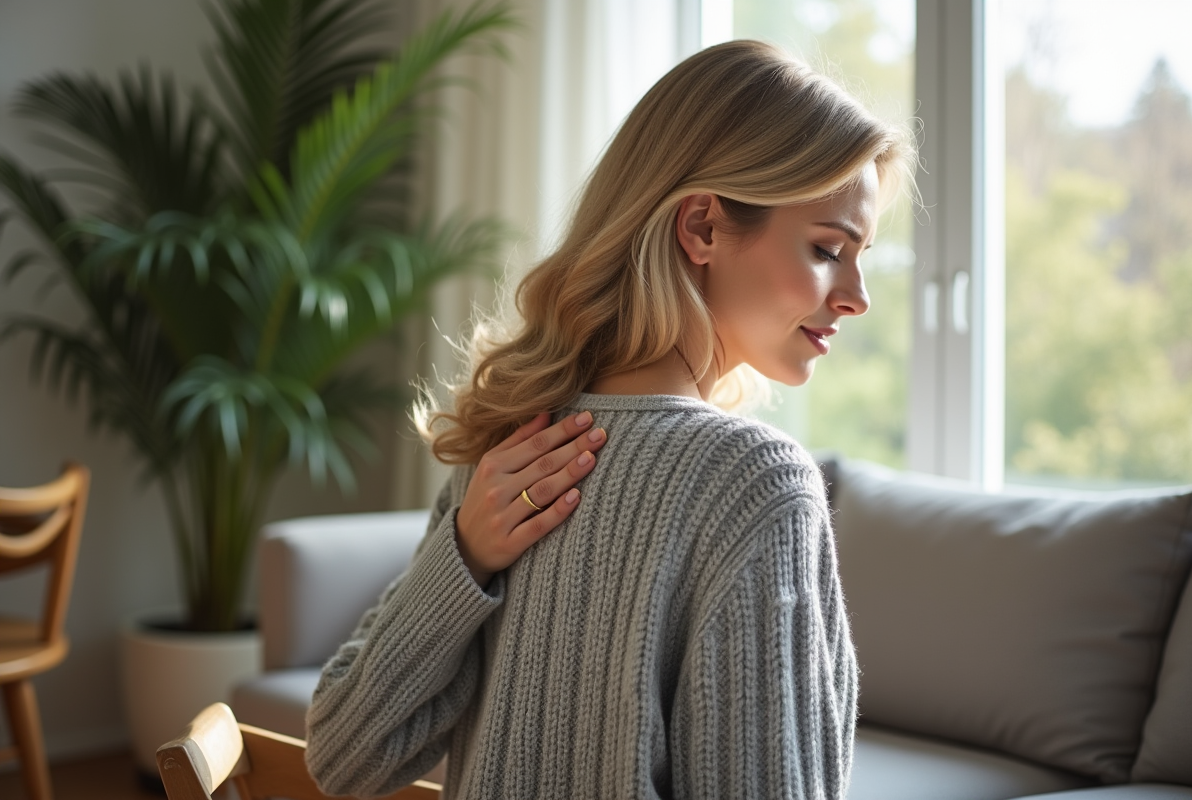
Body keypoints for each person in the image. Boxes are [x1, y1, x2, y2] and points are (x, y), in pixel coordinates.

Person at [305, 39, 914, 799]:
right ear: (702, 227)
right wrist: (463, 555)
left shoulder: (513, 445)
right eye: (828, 249)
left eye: (861, 256)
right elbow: (343, 759)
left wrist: (462, 555)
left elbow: (340, 756)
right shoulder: (755, 482)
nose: (858, 296)